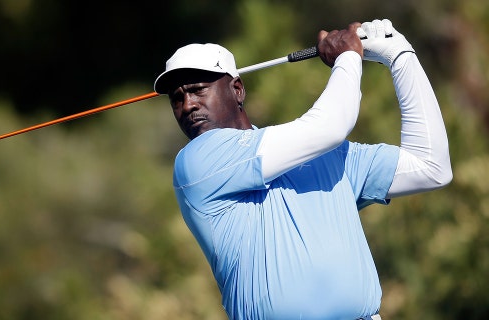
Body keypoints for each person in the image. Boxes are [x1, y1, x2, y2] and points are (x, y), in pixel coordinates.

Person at [153, 19, 452, 319]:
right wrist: (348, 57)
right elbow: (330, 126)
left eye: (197, 90)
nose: (187, 105)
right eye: (176, 99)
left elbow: (430, 166)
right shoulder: (197, 162)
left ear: (237, 89)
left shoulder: (326, 155)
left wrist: (400, 56)